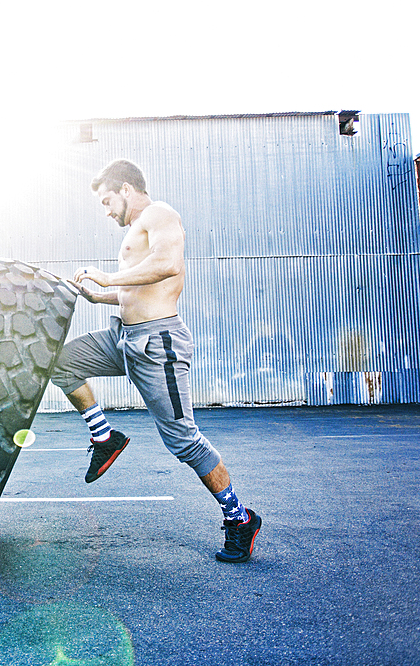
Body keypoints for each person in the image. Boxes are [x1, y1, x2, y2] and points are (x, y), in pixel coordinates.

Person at [51, 158, 261, 563]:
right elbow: (137, 289)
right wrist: (101, 296)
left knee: (183, 439)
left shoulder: (161, 214)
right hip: (124, 338)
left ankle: (239, 518)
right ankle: (104, 436)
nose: (107, 210)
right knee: (62, 362)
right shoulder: (135, 231)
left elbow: (168, 265)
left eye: (108, 200)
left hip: (157, 342)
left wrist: (108, 278)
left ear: (126, 189)